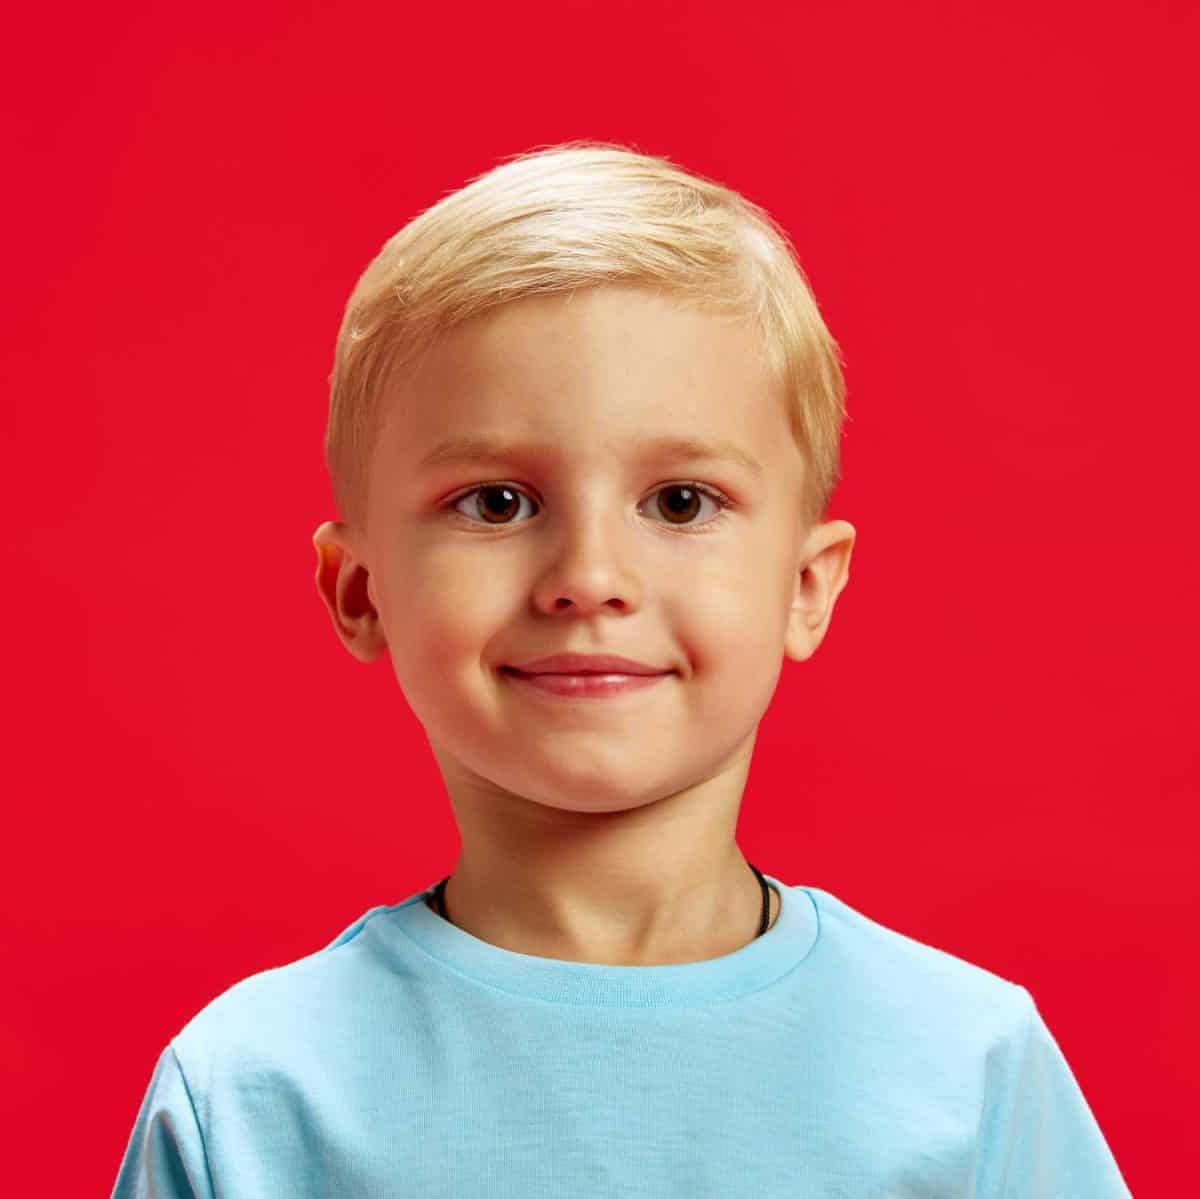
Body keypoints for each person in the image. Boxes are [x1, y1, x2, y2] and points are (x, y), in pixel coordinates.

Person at [112, 140, 1132, 1197]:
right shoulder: (252, 1092)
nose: (589, 578)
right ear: (360, 591)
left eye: (680, 501)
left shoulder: (970, 1069)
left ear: (807, 585)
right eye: (498, 501)